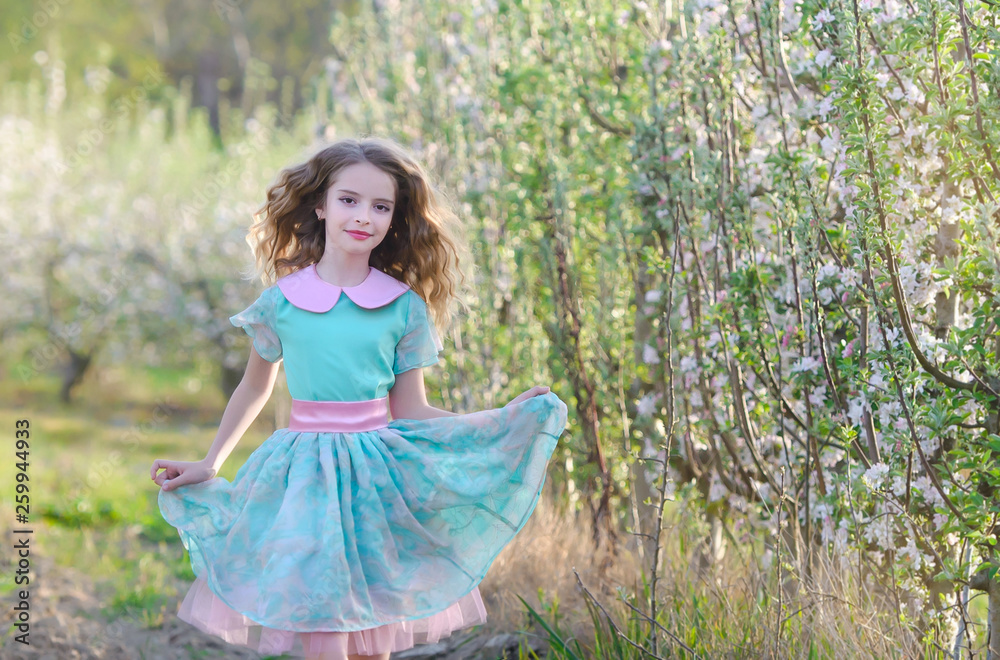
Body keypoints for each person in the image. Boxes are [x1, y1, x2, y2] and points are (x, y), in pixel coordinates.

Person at [149, 136, 568, 660]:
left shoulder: (402, 308)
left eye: (381, 206)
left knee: (373, 640)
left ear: (394, 219)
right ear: (320, 207)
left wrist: (500, 420)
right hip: (302, 479)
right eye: (348, 200)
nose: (363, 216)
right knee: (323, 632)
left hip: (378, 482)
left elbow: (411, 410)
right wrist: (211, 462)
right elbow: (255, 386)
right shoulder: (282, 302)